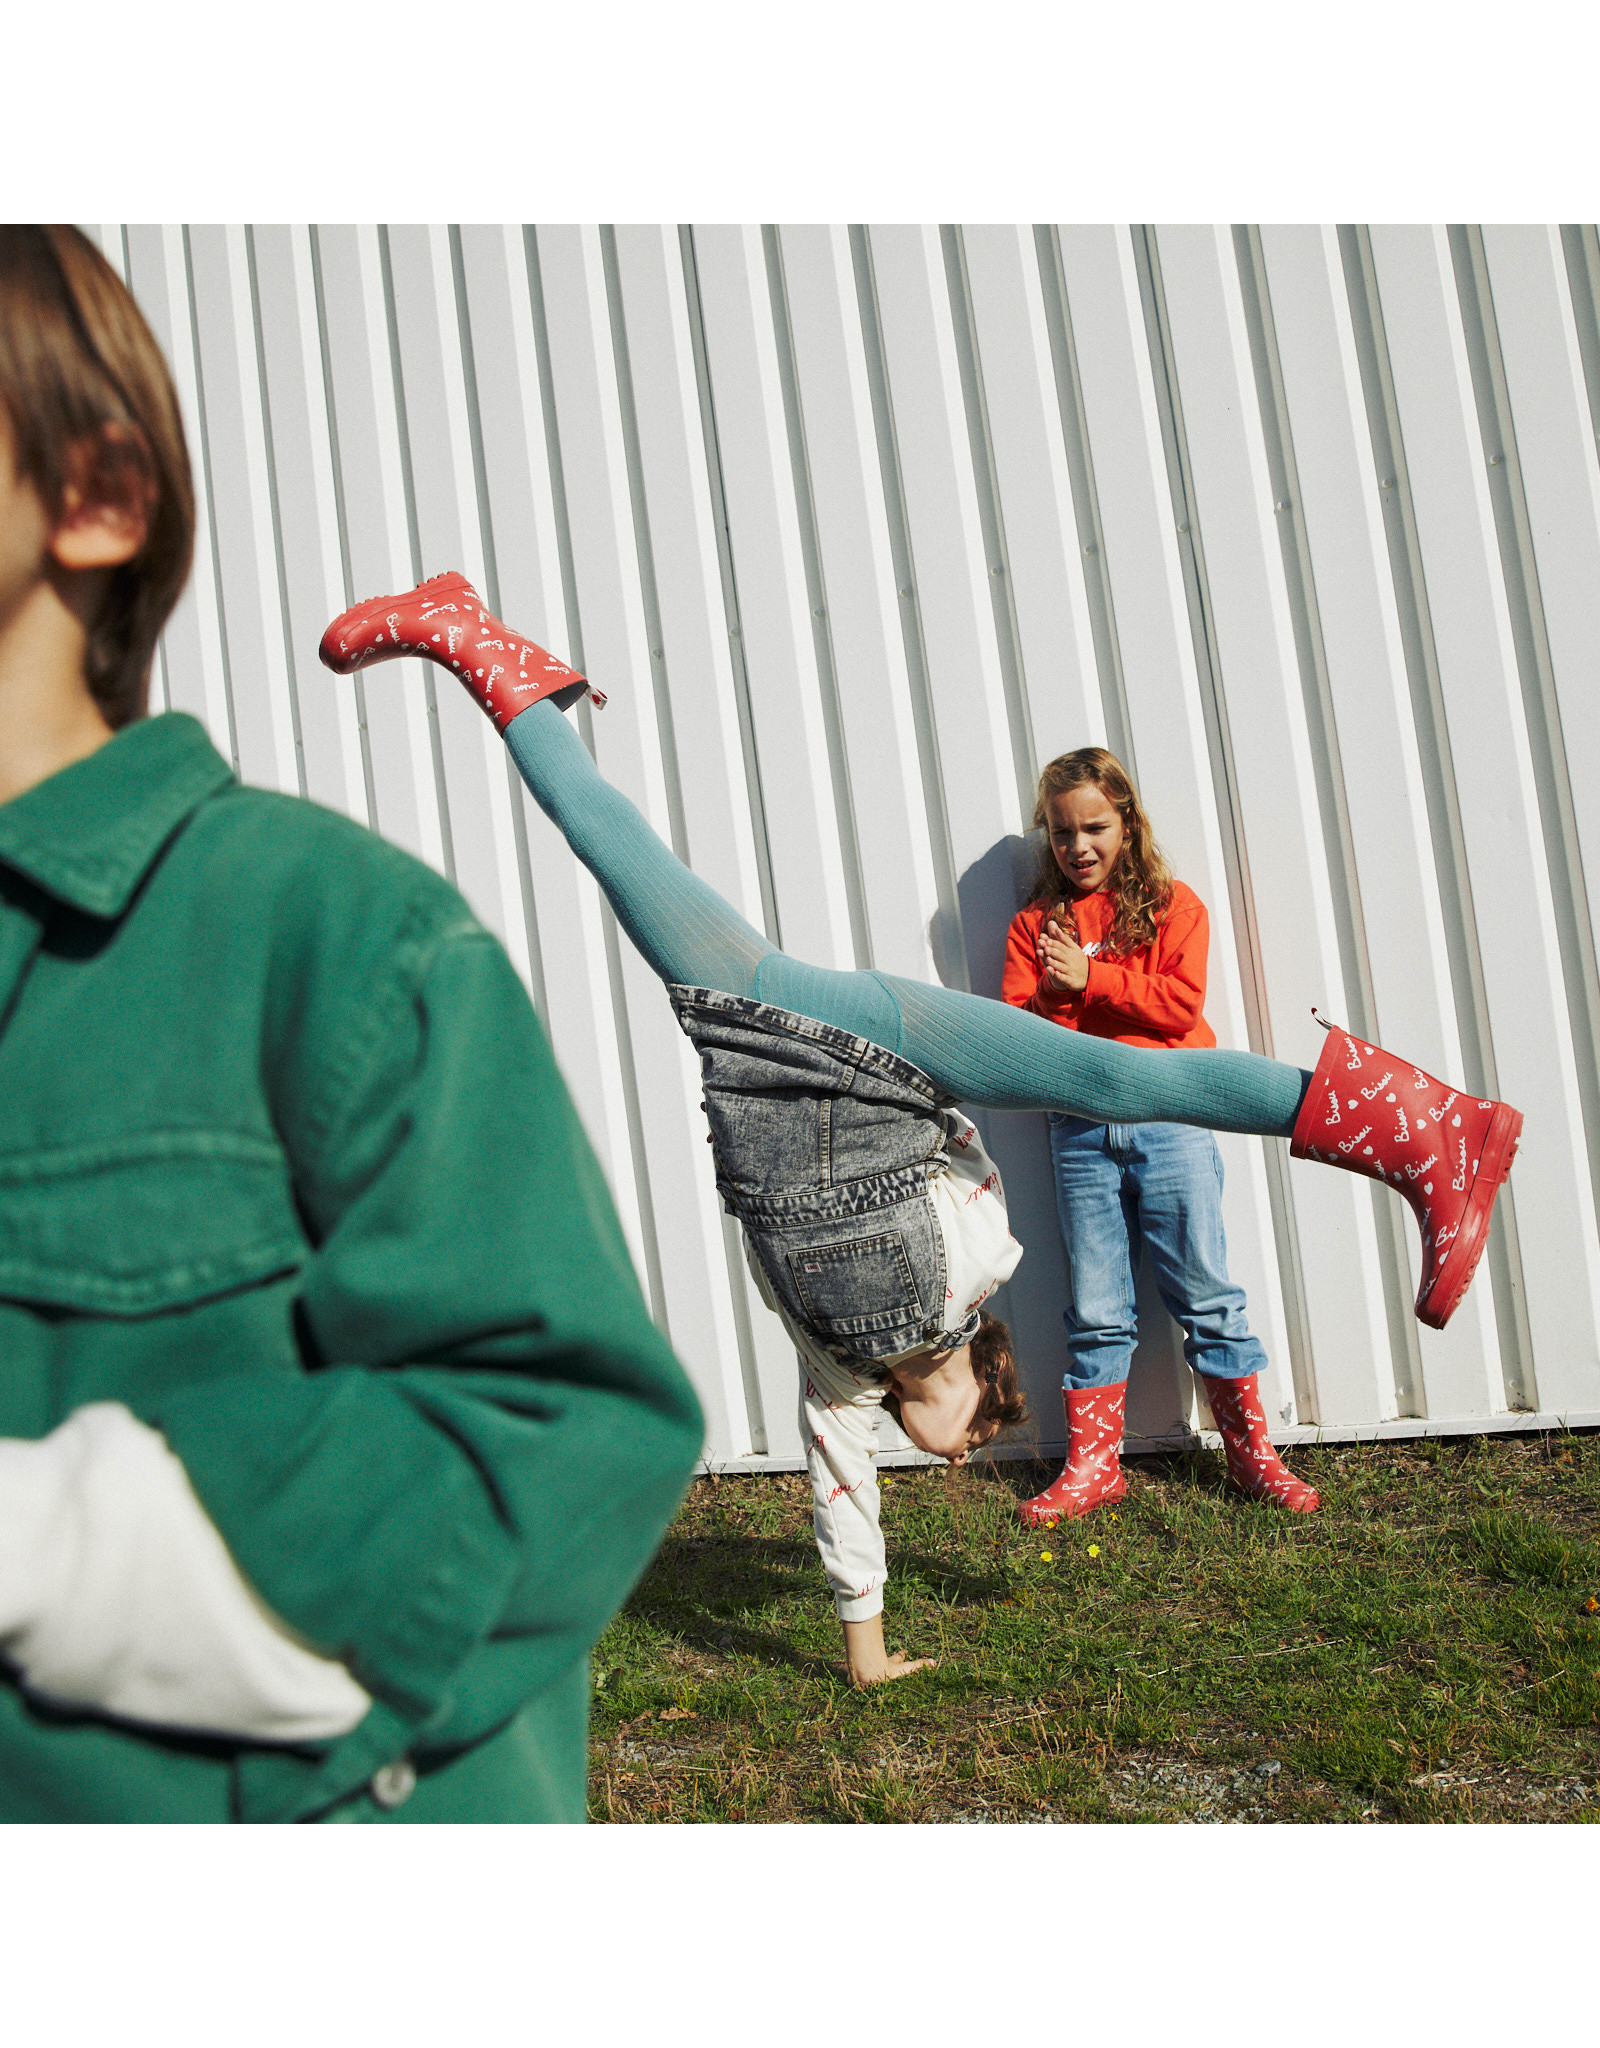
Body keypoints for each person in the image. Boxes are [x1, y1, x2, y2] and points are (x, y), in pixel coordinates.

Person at [321, 572, 1524, 1676]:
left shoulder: (837, 1368)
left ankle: (1427, 1132)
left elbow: (839, 1484)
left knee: (1104, 1073)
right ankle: (1422, 1131)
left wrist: (863, 1644)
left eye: (961, 1443)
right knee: (1100, 1076)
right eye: (974, 1433)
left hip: (764, 1052)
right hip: (863, 1039)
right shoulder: (978, 1266)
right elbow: (964, 1153)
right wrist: (923, 1105)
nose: (948, 1454)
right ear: (981, 1371)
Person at [0, 224, 703, 1823]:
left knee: (736, 965)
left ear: (95, 496)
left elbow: (562, 1431)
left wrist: (49, 1543)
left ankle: (493, 659)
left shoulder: (324, 933)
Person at [1003, 747, 1316, 1525]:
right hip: (1078, 1131)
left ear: (1127, 822)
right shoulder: (1036, 925)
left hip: (1172, 1121)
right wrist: (1054, 987)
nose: (1078, 847)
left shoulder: (1176, 907)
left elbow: (1179, 1007)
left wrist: (1094, 980)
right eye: (1061, 832)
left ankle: (1253, 1459)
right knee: (1097, 1306)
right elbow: (1018, 1040)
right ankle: (1093, 1468)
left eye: (1094, 827)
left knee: (1206, 1294)